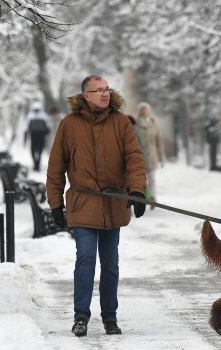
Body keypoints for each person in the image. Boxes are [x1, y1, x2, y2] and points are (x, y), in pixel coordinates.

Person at [46, 75, 147, 337]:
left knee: (111, 265)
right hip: (83, 204)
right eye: (98, 90)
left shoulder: (120, 122)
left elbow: (134, 158)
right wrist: (55, 204)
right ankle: (81, 316)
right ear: (85, 96)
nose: (104, 94)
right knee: (86, 259)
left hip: (114, 204)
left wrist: (137, 191)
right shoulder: (69, 125)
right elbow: (56, 166)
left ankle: (110, 318)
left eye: (106, 89)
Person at [135, 102, 165, 209]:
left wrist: (161, 157)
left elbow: (159, 142)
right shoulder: (135, 124)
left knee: (152, 178)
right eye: (142, 109)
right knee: (141, 180)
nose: (144, 111)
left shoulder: (153, 124)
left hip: (152, 156)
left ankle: (152, 198)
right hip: (139, 156)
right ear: (139, 111)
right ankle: (142, 199)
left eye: (146, 109)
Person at [25, 101, 51, 171]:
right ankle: (35, 164)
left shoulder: (44, 116)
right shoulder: (30, 116)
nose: (36, 111)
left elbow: (48, 128)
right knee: (33, 151)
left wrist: (46, 134)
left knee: (40, 151)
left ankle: (38, 165)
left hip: (41, 137)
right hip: (33, 136)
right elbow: (26, 127)